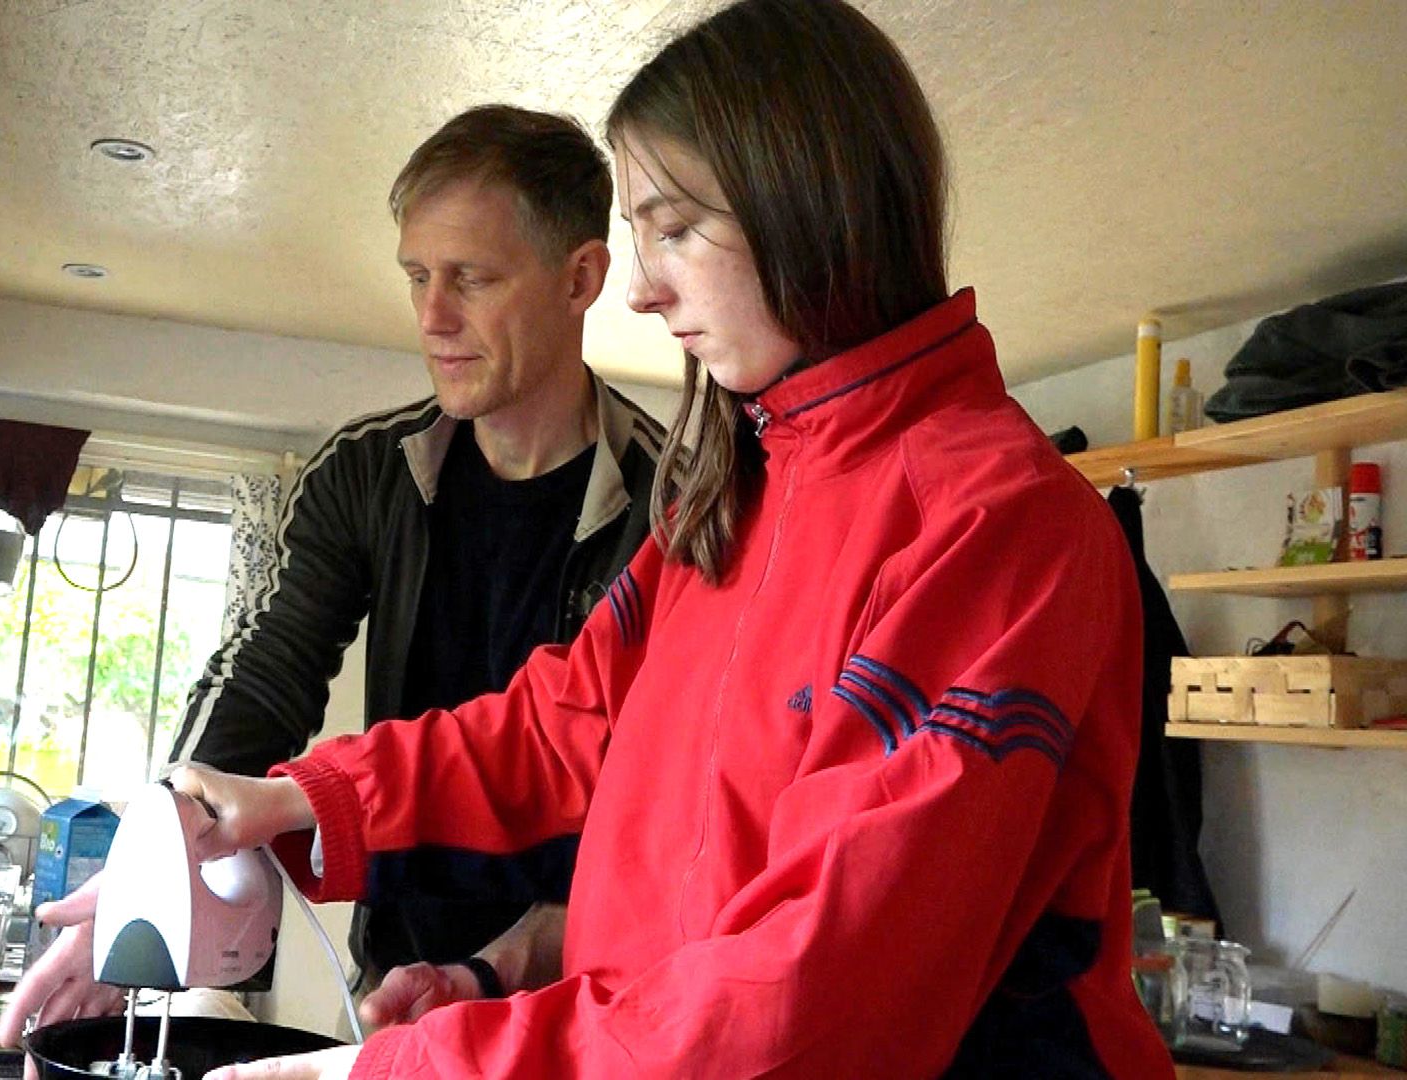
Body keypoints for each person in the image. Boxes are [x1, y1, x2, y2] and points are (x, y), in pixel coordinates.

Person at [165, 0, 1179, 1076]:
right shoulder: (735, 496)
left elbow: (812, 999)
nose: (645, 290)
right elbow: (564, 728)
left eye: (677, 228)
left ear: (814, 205)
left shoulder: (996, 526)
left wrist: (398, 1068)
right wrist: (295, 799)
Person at [0, 105, 663, 1048]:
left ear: (581, 277)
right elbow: (269, 673)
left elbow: (641, 783)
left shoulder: (675, 508)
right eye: (418, 276)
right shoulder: (364, 472)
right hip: (402, 979)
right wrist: (164, 855)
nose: (431, 317)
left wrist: (522, 954)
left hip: (592, 985)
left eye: (471, 277)